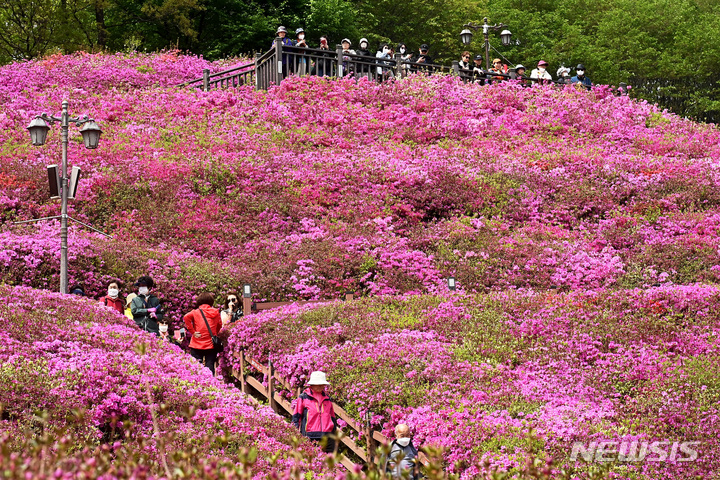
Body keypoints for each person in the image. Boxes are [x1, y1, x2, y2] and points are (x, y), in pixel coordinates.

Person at [291, 371, 339, 452]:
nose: (321, 386)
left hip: (328, 436)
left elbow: (332, 417)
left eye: (322, 384)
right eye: (318, 384)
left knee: (328, 462)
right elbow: (296, 417)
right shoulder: (303, 397)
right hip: (310, 436)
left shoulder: (327, 399)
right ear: (312, 385)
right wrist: (294, 434)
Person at [184, 292, 223, 375]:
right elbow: (219, 325)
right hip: (211, 344)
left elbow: (186, 317)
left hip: (196, 344)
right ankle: (211, 384)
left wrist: (193, 332)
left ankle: (198, 385)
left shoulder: (195, 312)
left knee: (196, 366)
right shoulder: (215, 312)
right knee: (210, 365)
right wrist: (213, 333)